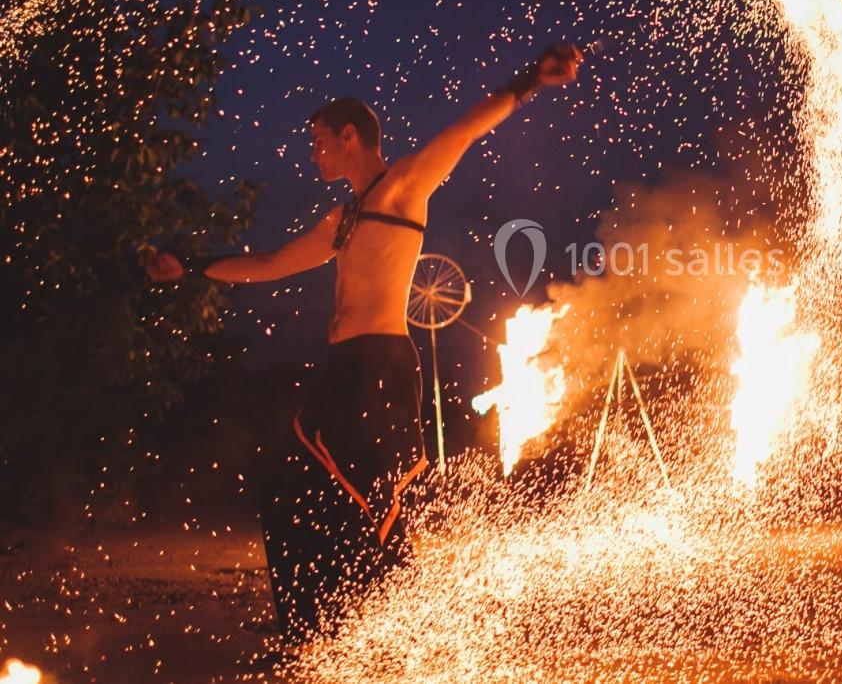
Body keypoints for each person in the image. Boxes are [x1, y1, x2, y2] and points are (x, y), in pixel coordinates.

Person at [142, 43, 582, 645]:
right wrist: (191, 267)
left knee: (368, 500)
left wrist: (532, 78)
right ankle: (316, 637)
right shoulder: (343, 218)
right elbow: (271, 263)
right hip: (345, 368)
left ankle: (385, 634)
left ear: (350, 136)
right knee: (293, 490)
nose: (314, 153)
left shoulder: (403, 186)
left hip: (379, 364)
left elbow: (465, 130)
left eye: (319, 141)